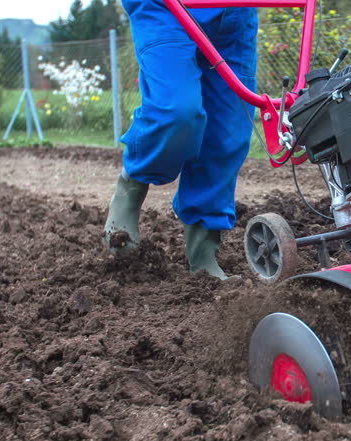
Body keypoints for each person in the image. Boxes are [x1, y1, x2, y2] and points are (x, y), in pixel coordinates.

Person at [104, 2, 258, 280]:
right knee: (175, 111)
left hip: (234, 11)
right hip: (165, 7)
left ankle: (203, 251)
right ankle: (132, 185)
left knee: (227, 131)